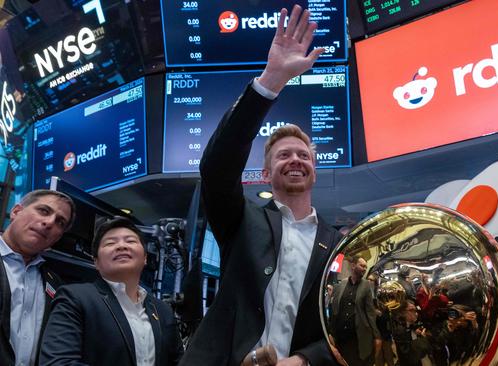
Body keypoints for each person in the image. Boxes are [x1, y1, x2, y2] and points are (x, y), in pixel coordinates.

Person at [180, 5, 341, 366]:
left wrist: (302, 361)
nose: (295, 160)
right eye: (283, 156)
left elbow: (346, 324)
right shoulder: (241, 221)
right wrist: (272, 79)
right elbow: (217, 166)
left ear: (314, 170)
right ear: (266, 175)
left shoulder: (339, 245)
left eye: (303, 155)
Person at [39, 216, 183, 365]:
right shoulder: (75, 298)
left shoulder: (162, 310)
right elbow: (58, 362)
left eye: (130, 241)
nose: (121, 246)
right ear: (96, 262)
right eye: (110, 243)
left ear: (145, 258)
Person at [0, 189, 75, 366]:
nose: (49, 223)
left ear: (58, 237)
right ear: (16, 211)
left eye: (60, 222)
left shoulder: (56, 284)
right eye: (44, 211)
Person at [330, 256, 381, 366]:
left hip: (358, 337)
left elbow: (370, 312)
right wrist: (331, 332)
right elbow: (335, 310)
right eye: (362, 265)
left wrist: (377, 336)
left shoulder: (366, 285)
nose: (364, 268)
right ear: (353, 266)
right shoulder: (341, 285)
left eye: (366, 267)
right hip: (340, 337)